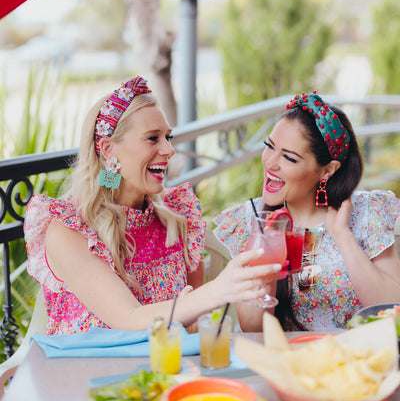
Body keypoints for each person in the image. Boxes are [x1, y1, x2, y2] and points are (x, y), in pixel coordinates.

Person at [24, 75, 279, 335]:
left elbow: (189, 328)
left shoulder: (178, 218)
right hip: (83, 373)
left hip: (163, 372)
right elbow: (128, 318)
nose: (169, 150)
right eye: (152, 138)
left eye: (168, 137)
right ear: (108, 149)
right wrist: (219, 289)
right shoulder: (70, 229)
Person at [214, 91, 400, 332]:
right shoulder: (254, 220)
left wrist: (342, 235)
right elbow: (253, 329)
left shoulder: (366, 213)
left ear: (327, 171)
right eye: (269, 146)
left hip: (361, 359)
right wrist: (268, 256)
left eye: (289, 158)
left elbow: (391, 309)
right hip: (292, 362)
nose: (270, 163)